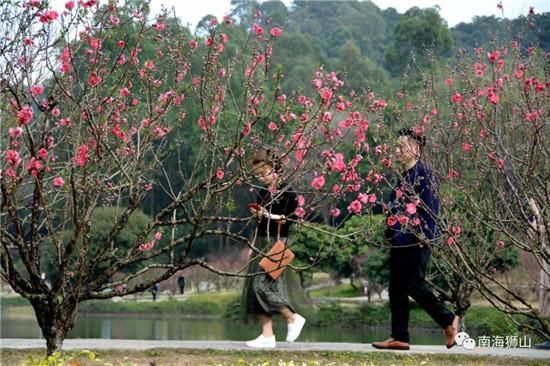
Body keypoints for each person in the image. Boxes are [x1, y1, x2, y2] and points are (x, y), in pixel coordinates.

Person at [372, 128, 459, 350]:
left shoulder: (424, 174)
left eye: (402, 146)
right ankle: (399, 337)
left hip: (416, 240)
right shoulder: (404, 177)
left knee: (415, 286)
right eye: (397, 146)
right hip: (399, 241)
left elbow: (431, 209)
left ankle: (448, 320)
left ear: (416, 148)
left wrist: (425, 237)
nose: (397, 150)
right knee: (396, 289)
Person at [241, 148, 307, 348]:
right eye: (257, 175)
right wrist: (253, 244)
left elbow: (292, 218)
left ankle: (292, 317)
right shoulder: (263, 193)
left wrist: (269, 216)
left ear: (275, 168)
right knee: (256, 289)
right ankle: (267, 335)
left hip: (278, 243)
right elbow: (259, 223)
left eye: (263, 173)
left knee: (263, 286)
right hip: (262, 241)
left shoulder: (287, 191)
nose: (260, 178)